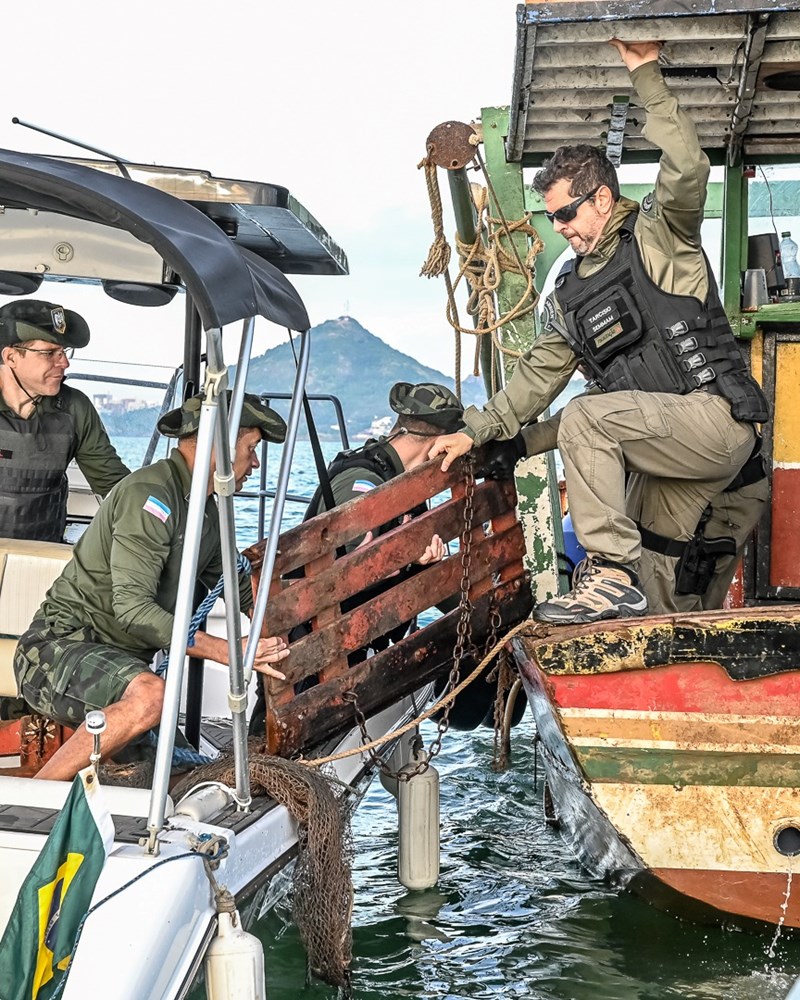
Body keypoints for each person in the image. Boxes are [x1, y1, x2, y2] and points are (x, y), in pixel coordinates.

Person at [429, 38, 769, 625]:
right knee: (655, 591)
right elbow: (538, 379)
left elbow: (688, 165)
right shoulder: (571, 297)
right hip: (667, 454)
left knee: (591, 416)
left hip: (718, 426)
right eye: (553, 217)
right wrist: (485, 434)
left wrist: (646, 74)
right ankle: (641, 641)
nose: (560, 229)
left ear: (603, 198)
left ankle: (607, 574)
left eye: (566, 213)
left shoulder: (662, 237)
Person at [13, 391, 290, 781]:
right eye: (251, 447)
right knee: (151, 697)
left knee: (185, 776)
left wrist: (286, 640)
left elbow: (245, 597)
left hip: (121, 667)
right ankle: (33, 801)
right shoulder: (150, 496)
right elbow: (133, 611)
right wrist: (230, 653)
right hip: (57, 652)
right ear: (219, 448)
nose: (256, 462)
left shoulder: (207, 513)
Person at [249, 381, 462, 734]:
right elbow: (349, 568)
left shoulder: (400, 478)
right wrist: (410, 560)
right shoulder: (364, 481)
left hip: (350, 638)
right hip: (311, 641)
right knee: (277, 737)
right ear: (438, 445)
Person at [507, 406, 769, 613]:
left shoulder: (652, 371)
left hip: (721, 501)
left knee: (683, 605)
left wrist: (518, 443)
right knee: (688, 607)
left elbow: (585, 415)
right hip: (724, 492)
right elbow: (582, 412)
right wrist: (520, 445)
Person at [0, 298, 130, 541]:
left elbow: (114, 485)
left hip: (43, 558)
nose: (64, 362)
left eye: (64, 352)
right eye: (50, 353)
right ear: (11, 357)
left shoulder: (74, 408)